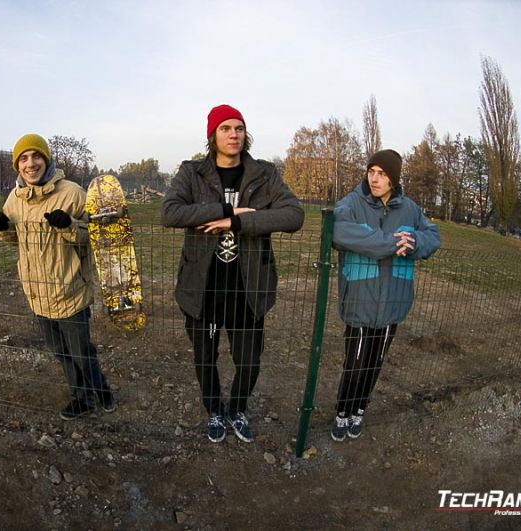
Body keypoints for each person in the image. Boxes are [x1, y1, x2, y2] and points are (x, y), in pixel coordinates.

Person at [162, 104, 304, 443]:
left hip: (248, 289)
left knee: (248, 361)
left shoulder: (264, 174)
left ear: (245, 134)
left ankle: (237, 408)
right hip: (204, 289)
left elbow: (293, 216)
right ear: (213, 135)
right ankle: (214, 410)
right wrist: (224, 208)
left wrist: (237, 222)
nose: (233, 134)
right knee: (205, 358)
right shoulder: (192, 172)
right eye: (225, 128)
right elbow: (170, 212)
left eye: (238, 128)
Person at [0, 133, 115, 420]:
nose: (30, 164)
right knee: (61, 353)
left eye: (36, 156)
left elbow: (96, 236)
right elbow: (14, 239)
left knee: (82, 353)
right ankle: (82, 398)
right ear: (17, 165)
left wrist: (69, 225)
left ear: (46, 159)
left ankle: (102, 388)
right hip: (36, 294)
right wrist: (2, 229)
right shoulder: (15, 198)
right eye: (23, 158)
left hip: (69, 292)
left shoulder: (72, 193)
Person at [329, 149, 440, 441]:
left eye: (382, 174)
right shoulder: (353, 202)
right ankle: (342, 412)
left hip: (393, 301)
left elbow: (433, 236)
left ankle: (359, 410)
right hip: (360, 299)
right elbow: (337, 231)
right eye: (371, 172)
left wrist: (414, 241)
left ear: (394, 179)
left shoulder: (411, 209)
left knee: (375, 361)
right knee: (354, 362)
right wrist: (389, 243)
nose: (375, 179)